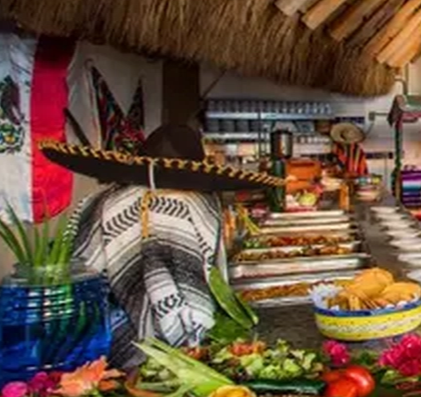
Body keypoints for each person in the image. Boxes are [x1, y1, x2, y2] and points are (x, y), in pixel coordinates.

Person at [39, 125, 280, 364]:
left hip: (90, 338)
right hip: (150, 351)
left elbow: (74, 266)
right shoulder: (187, 203)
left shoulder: (100, 201)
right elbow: (190, 282)